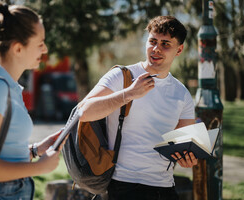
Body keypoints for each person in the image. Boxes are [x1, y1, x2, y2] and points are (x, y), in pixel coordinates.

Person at [78, 16, 198, 200]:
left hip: (165, 188)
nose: (156, 49)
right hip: (124, 186)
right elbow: (84, 112)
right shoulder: (122, 76)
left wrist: (188, 159)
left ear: (179, 49)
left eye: (165, 44)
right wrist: (129, 94)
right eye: (152, 41)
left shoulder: (182, 94)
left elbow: (183, 147)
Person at [0, 0, 62, 200]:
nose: (45, 50)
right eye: (40, 44)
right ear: (18, 48)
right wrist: (38, 168)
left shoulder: (7, 86)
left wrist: (36, 150)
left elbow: (2, 152)